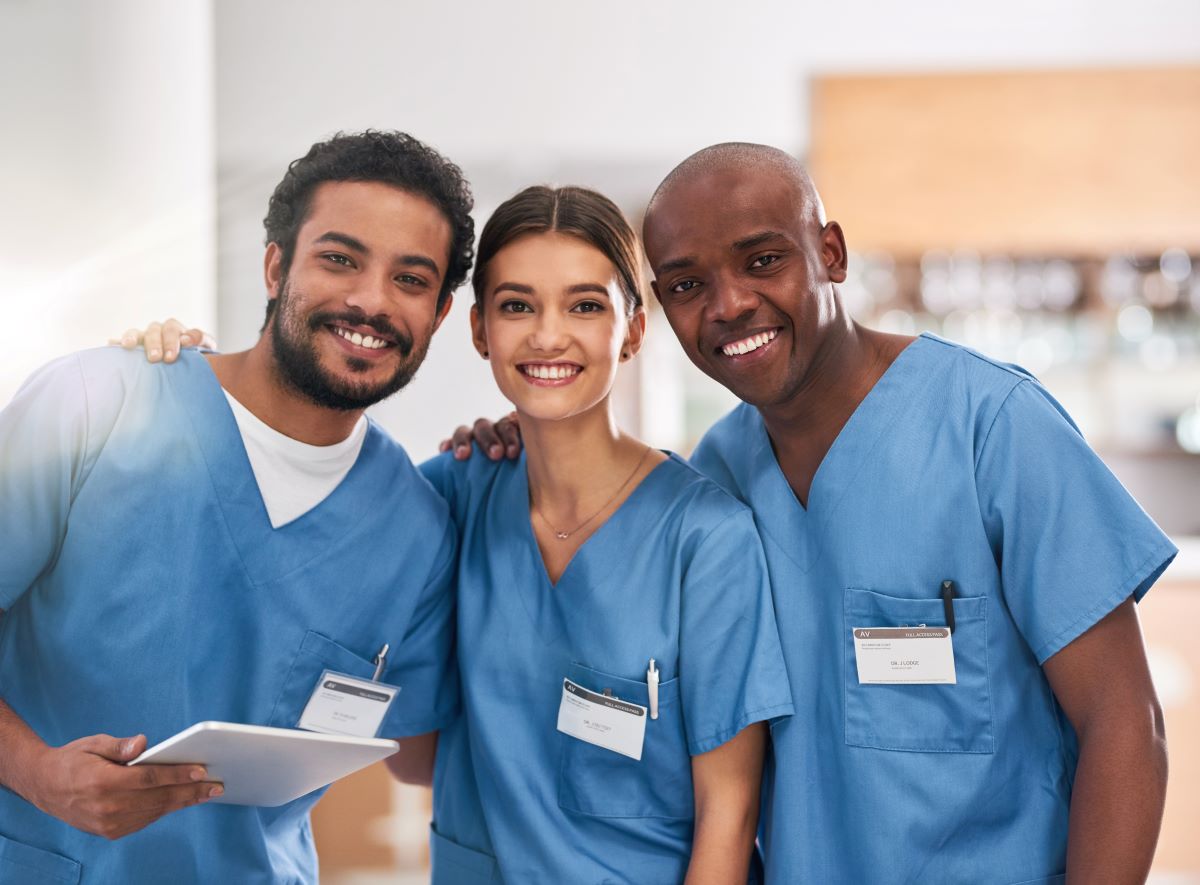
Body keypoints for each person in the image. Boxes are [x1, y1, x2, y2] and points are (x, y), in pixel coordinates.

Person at [454, 144, 1176, 885]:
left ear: (830, 253)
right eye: (687, 284)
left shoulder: (991, 428)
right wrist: (526, 436)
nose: (728, 304)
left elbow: (1125, 723)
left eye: (763, 260)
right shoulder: (717, 478)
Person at [133, 184, 794, 884]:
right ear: (480, 330)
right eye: (517, 305)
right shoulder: (448, 496)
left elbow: (731, 807)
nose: (547, 334)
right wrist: (192, 378)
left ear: (632, 331)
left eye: (585, 304)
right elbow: (411, 753)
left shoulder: (706, 538)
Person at [0, 130, 473, 884]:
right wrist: (35, 771)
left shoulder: (415, 531)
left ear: (441, 314)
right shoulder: (94, 404)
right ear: (276, 264)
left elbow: (419, 753)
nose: (370, 301)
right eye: (340, 258)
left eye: (410, 279)